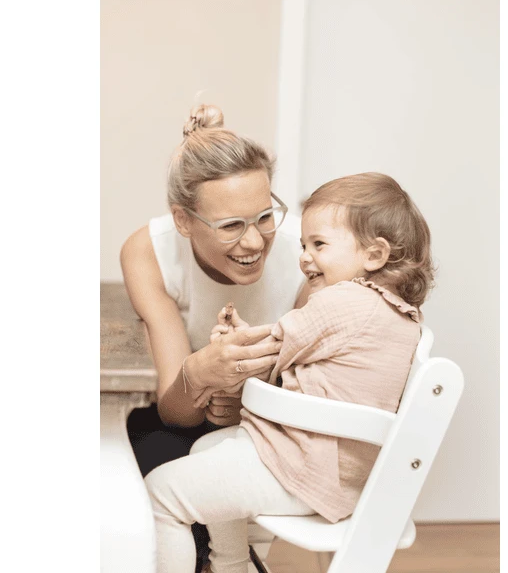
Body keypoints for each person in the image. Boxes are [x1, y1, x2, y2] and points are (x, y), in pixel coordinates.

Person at [144, 172, 436, 573]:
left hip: (306, 469)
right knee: (206, 447)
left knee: (160, 494)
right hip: (338, 469)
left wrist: (233, 343)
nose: (304, 257)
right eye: (303, 244)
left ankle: (229, 564)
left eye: (319, 244)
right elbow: (291, 348)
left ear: (374, 255)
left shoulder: (343, 301)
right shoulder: (396, 314)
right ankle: (231, 567)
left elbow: (271, 348)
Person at [120, 100, 308, 570]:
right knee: (141, 439)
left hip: (280, 426)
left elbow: (321, 389)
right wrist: (200, 374)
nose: (254, 242)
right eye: (230, 226)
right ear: (184, 220)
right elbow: (175, 410)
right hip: (187, 420)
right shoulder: (149, 252)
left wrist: (251, 397)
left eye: (265, 216)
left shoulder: (310, 254)